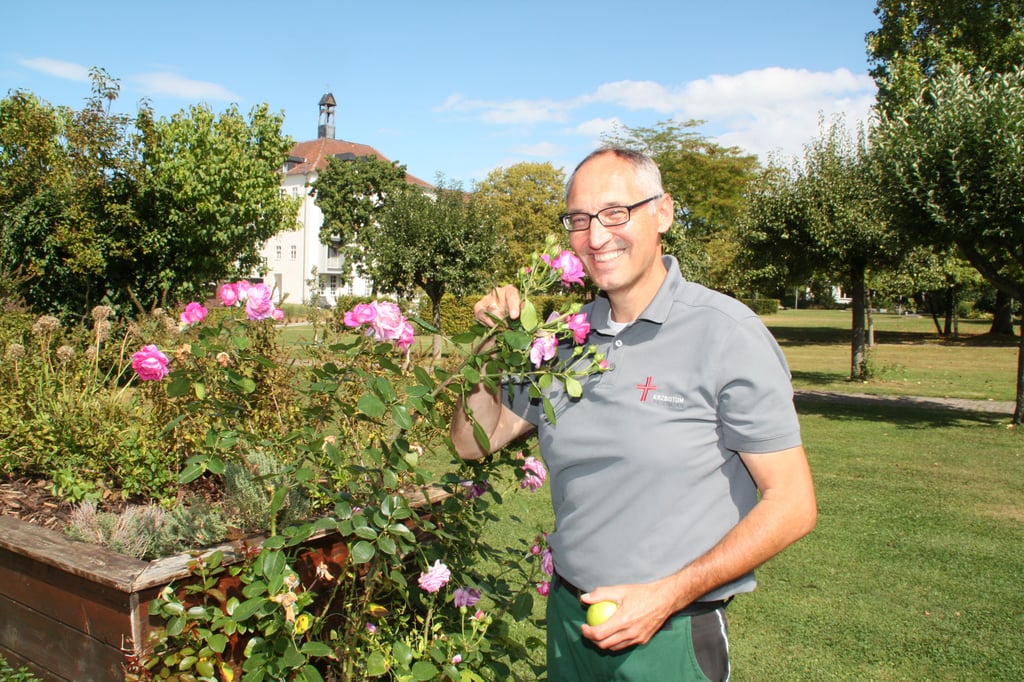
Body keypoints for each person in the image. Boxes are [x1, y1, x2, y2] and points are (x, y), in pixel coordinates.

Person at [450, 147, 816, 681]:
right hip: (569, 625)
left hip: (669, 636)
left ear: (663, 212)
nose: (596, 237)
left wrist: (667, 595)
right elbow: (471, 442)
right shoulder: (560, 340)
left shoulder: (726, 334)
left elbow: (794, 504)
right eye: (579, 219)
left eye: (616, 213)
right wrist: (490, 345)